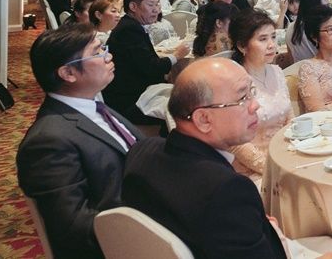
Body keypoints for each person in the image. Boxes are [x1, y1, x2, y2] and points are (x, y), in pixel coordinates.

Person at [121, 58, 290, 259]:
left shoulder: (141, 151)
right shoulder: (228, 191)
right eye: (242, 98)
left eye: (251, 92)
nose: (255, 105)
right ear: (203, 119)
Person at [18, 23, 142, 258]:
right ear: (68, 73)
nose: (108, 56)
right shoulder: (48, 141)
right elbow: (74, 229)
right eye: (98, 52)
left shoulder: (94, 106)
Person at [103, 0, 189, 124]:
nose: (156, 10)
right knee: (184, 107)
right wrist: (176, 56)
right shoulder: (129, 30)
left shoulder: (131, 25)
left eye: (157, 4)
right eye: (150, 5)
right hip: (130, 100)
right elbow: (151, 67)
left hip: (136, 91)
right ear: (133, 6)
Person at [230, 10, 291, 187]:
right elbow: (236, 142)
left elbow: (289, 118)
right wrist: (272, 167)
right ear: (242, 46)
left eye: (273, 37)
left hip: (284, 155)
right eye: (263, 39)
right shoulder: (235, 82)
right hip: (251, 168)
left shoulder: (277, 72)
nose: (271, 45)